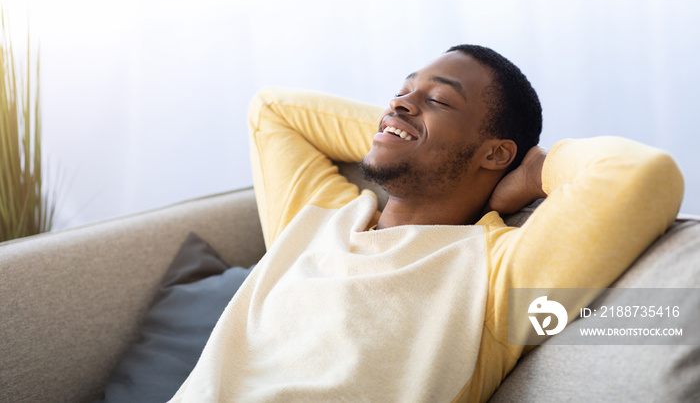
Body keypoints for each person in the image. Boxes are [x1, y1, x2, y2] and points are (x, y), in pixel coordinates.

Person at [170, 45, 684, 402]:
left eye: (438, 99)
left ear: (495, 151)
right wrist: (402, 125)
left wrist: (531, 169)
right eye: (402, 89)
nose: (399, 100)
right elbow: (274, 110)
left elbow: (644, 174)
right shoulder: (315, 218)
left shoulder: (495, 274)